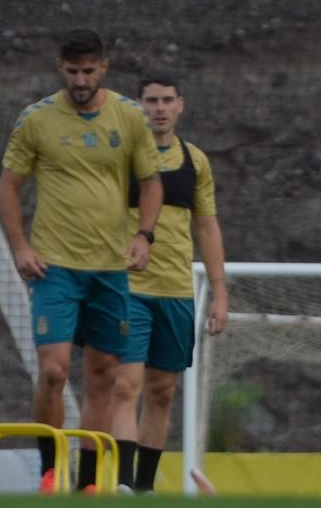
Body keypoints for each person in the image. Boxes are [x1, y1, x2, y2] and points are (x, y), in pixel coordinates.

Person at [0, 28, 163, 493]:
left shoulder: (129, 116)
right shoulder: (35, 119)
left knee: (104, 375)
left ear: (103, 67)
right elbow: (9, 185)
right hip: (55, 267)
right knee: (53, 370)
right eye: (72, 72)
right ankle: (50, 472)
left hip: (110, 268)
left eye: (88, 71)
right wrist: (20, 247)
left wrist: (144, 236)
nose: (80, 80)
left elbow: (151, 183)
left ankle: (87, 484)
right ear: (59, 68)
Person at [110, 72, 228, 493]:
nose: (159, 108)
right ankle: (123, 484)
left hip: (177, 291)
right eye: (151, 100)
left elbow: (208, 228)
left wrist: (219, 293)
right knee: (125, 385)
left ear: (181, 105)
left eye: (166, 100)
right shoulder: (123, 156)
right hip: (129, 289)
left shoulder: (195, 161)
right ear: (138, 106)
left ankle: (144, 488)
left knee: (162, 392)